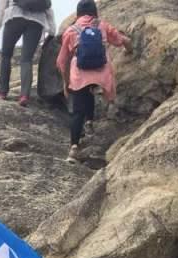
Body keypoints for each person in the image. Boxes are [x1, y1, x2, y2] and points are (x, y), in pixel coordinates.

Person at [57, 0, 132, 163]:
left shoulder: (71, 30)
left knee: (78, 109)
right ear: (94, 12)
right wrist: (130, 51)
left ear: (78, 14)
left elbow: (61, 61)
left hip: (80, 74)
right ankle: (91, 120)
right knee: (91, 89)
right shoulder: (102, 25)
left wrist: (65, 82)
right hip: (101, 73)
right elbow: (123, 41)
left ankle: (74, 148)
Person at [0, 0, 57, 107]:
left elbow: (1, 9)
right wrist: (52, 32)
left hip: (14, 16)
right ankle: (24, 96)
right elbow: (48, 9)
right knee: (27, 60)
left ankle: (2, 92)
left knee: (6, 55)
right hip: (37, 22)